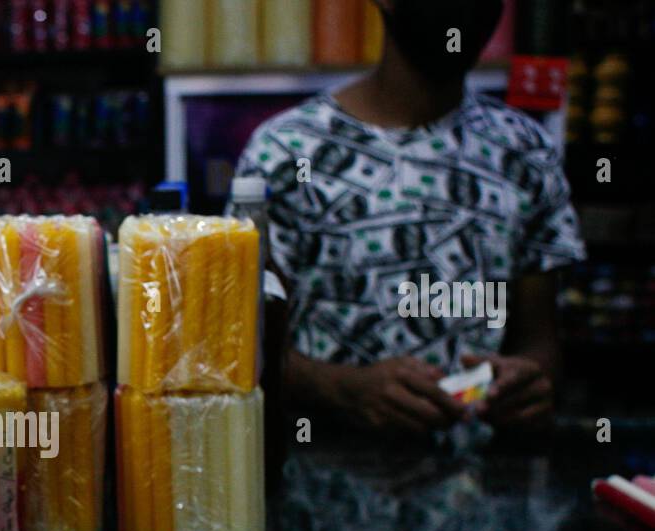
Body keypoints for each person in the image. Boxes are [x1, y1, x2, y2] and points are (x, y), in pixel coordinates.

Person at [236, 0, 586, 435]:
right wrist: (345, 388)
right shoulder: (287, 153)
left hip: (478, 487)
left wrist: (526, 385)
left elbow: (539, 342)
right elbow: (243, 346)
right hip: (322, 481)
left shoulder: (524, 154)